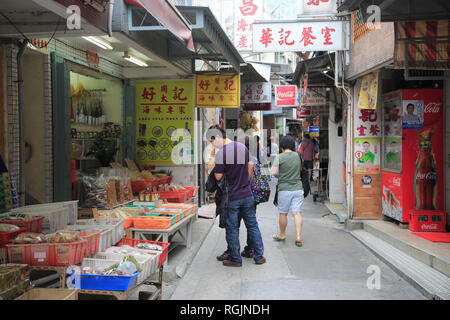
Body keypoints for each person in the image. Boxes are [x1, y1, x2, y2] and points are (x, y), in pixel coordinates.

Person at [208, 125, 266, 267]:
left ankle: (235, 259)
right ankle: (259, 256)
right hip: (247, 194)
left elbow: (218, 176)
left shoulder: (222, 153)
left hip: (232, 196)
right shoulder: (242, 147)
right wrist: (245, 180)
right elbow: (251, 165)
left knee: (232, 227)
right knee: (252, 225)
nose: (212, 144)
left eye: (211, 141)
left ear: (217, 137)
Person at [270, 135, 304, 247]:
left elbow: (272, 172)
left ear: (282, 147)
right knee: (297, 212)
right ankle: (298, 236)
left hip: (284, 189)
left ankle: (282, 234)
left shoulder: (280, 157)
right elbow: (299, 170)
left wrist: (281, 173)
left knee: (283, 213)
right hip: (298, 188)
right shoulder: (297, 155)